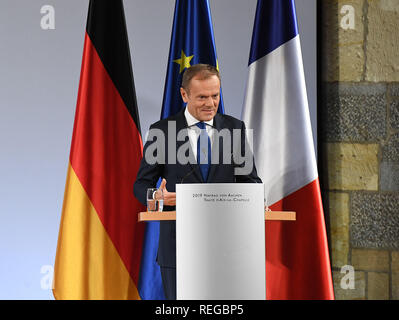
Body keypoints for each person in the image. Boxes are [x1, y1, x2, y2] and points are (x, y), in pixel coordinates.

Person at [134, 64, 261, 300]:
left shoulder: (235, 129)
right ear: (184, 95)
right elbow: (141, 185)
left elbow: (251, 182)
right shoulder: (162, 131)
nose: (210, 103)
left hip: (226, 247)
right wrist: (156, 196)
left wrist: (254, 200)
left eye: (215, 95)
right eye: (202, 97)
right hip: (178, 249)